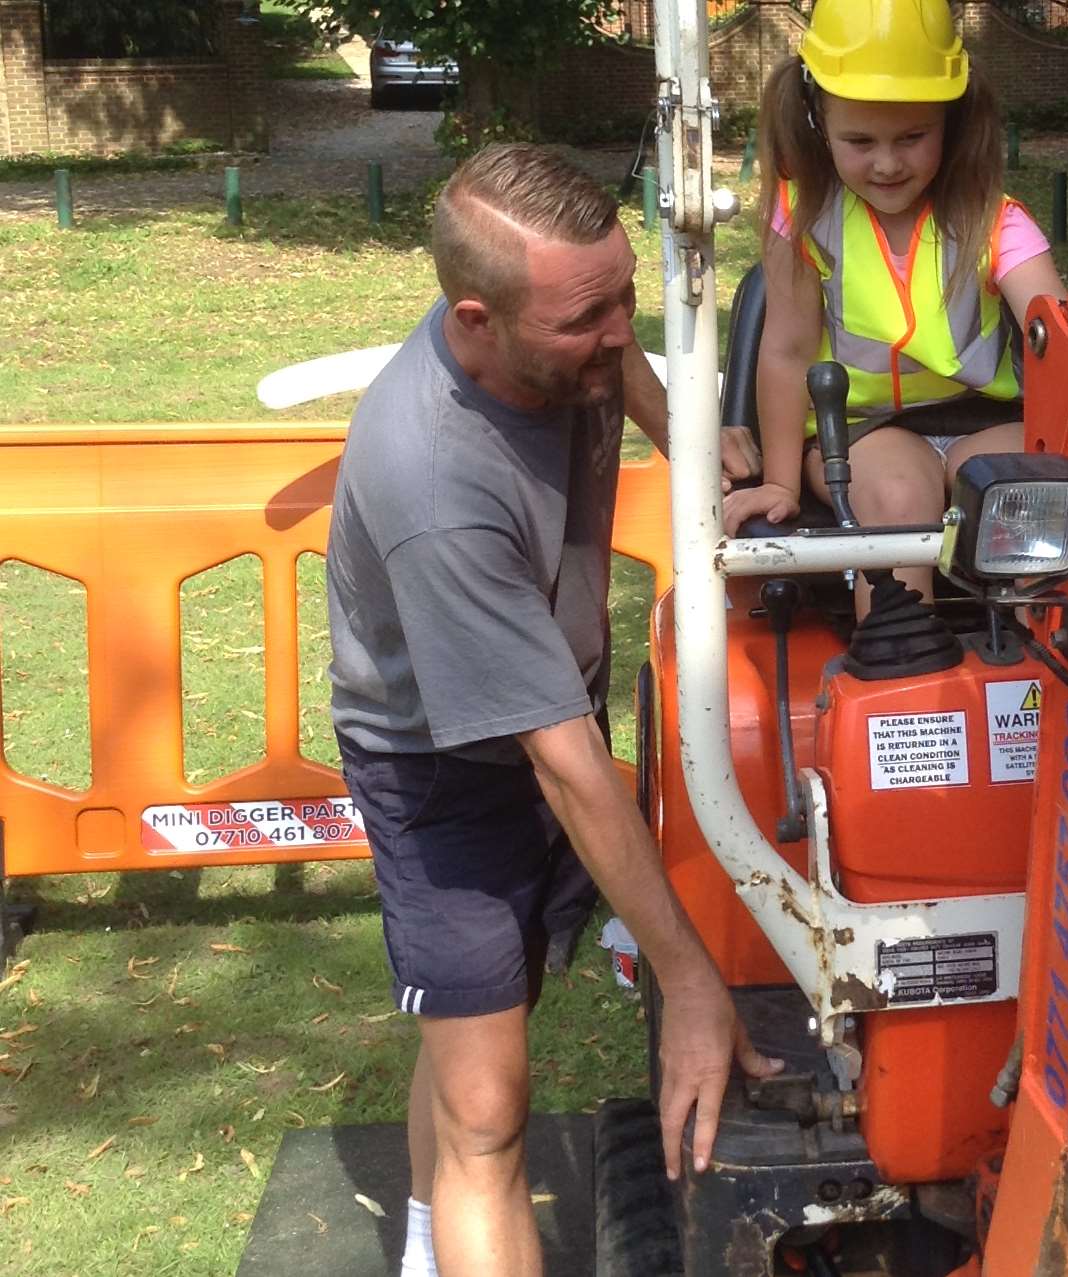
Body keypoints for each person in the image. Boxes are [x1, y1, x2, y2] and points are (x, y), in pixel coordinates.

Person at [326, 143, 781, 1277]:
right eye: (587, 317)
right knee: (488, 1106)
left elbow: (614, 353)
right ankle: (451, 1227)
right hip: (440, 764)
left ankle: (433, 1241)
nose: (619, 331)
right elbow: (565, 763)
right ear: (476, 320)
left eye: (624, 295)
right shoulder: (434, 480)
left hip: (540, 697)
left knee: (493, 1015)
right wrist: (686, 981)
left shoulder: (566, 341)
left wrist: (687, 441)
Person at [721, 0, 1067, 612]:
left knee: (1036, 487)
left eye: (912, 137)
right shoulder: (804, 216)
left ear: (951, 123)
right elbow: (787, 349)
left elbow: (1064, 340)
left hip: (979, 418)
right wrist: (779, 480)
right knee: (903, 496)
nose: (886, 162)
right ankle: (900, 661)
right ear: (817, 122)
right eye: (859, 140)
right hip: (858, 431)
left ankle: (1052, 660)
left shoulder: (996, 221)